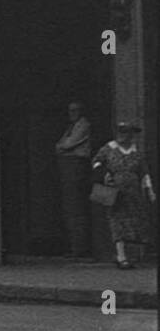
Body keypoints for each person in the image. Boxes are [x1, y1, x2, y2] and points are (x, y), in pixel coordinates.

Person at [91, 120, 155, 270]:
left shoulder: (136, 153)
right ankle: (121, 257)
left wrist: (150, 190)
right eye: (121, 132)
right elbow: (96, 161)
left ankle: (131, 254)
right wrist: (104, 174)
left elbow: (144, 172)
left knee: (133, 221)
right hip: (114, 190)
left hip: (133, 192)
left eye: (127, 132)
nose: (123, 136)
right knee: (117, 220)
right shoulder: (109, 149)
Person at [54, 101, 92, 258]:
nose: (72, 113)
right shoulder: (70, 127)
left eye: (75, 110)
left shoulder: (83, 125)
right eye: (70, 111)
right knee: (69, 206)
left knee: (76, 206)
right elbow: (58, 145)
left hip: (76, 164)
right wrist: (62, 147)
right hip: (67, 165)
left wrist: (62, 147)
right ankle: (73, 246)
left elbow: (67, 144)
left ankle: (80, 248)